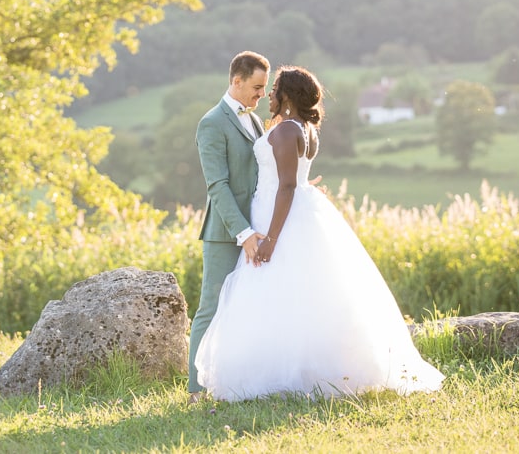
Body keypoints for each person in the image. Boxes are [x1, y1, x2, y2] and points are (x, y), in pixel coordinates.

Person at [195, 66, 445, 401]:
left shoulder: (283, 131)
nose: (267, 95)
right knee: (303, 294)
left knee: (274, 293)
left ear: (286, 96)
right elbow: (292, 179)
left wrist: (269, 238)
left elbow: (285, 185)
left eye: (272, 90)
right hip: (293, 212)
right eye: (261, 88)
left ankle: (277, 373)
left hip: (277, 216)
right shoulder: (306, 129)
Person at [188, 51, 271, 403]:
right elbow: (217, 186)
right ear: (236, 81)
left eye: (265, 88)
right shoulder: (211, 123)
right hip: (226, 233)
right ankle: (196, 389)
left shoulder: (254, 121)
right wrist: (243, 232)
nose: (261, 95)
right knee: (212, 306)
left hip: (258, 228)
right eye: (256, 87)